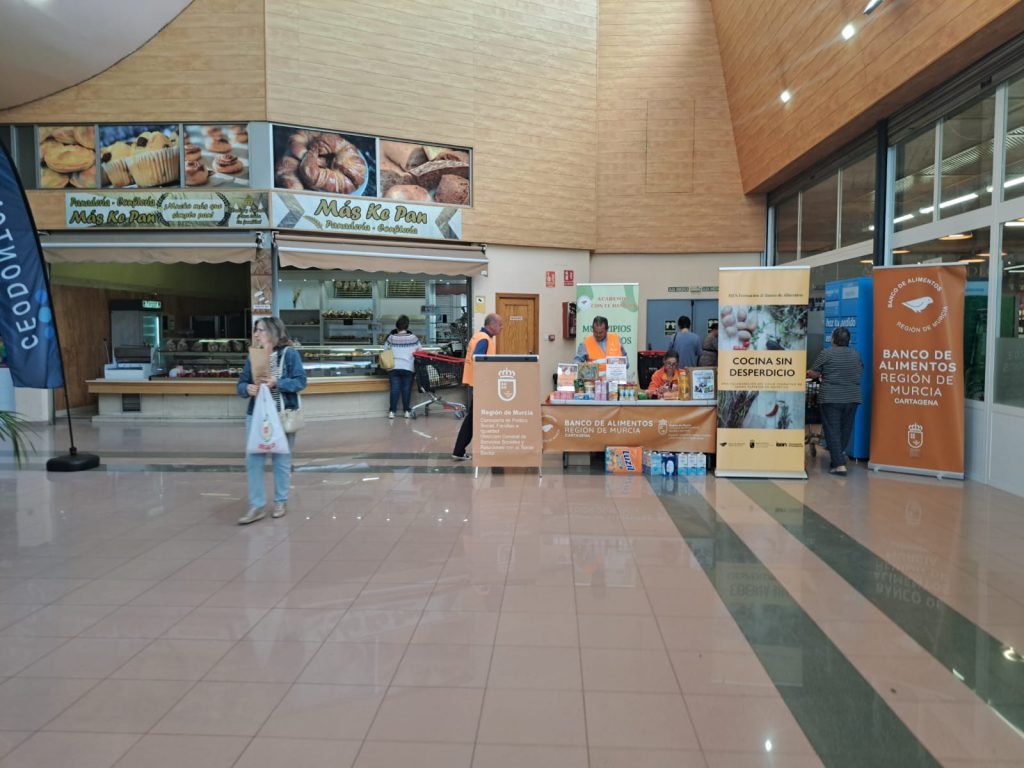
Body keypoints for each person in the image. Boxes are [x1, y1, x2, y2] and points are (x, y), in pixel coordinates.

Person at [237, 317, 307, 524]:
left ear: (273, 332)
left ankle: (280, 501)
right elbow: (241, 383)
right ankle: (257, 505)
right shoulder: (254, 356)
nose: (256, 334)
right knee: (253, 460)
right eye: (256, 330)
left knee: (281, 460)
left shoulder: (289, 354)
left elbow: (301, 381)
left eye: (260, 330)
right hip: (257, 415)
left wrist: (278, 382)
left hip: (282, 415)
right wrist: (246, 388)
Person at [807, 326, 863, 476]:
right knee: (845, 429)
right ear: (848, 340)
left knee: (832, 430)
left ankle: (839, 465)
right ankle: (837, 459)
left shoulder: (827, 353)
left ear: (833, 340)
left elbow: (814, 373)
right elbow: (860, 371)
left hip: (831, 397)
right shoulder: (856, 354)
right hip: (852, 397)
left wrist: (809, 372)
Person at [452, 313, 503, 460]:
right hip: (482, 385)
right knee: (473, 419)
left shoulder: (479, 336)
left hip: (479, 383)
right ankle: (459, 450)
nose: (502, 327)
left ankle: (459, 450)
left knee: (473, 418)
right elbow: (478, 360)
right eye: (500, 325)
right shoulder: (484, 339)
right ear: (492, 325)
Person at [384, 315, 421, 419]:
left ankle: (392, 412)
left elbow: (385, 351)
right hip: (408, 367)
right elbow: (420, 352)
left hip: (393, 367)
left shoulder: (391, 338)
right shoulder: (413, 338)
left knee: (394, 389)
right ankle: (406, 412)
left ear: (397, 326)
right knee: (406, 389)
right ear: (407, 326)